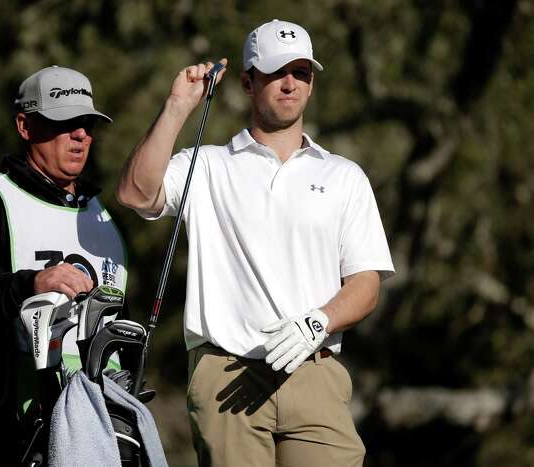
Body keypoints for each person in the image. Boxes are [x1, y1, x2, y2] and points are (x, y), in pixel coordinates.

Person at [117, 19, 395, 467]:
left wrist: (318, 323)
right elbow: (136, 193)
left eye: (301, 73)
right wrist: (177, 106)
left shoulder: (343, 175)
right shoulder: (206, 166)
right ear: (248, 82)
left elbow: (365, 282)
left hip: (315, 371)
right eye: (276, 72)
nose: (290, 83)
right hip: (226, 375)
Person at [0, 65, 127, 466]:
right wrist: (29, 285)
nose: (80, 136)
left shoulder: (104, 218)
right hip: (2, 434)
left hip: (100, 428)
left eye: (87, 124)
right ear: (24, 125)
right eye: (65, 122)